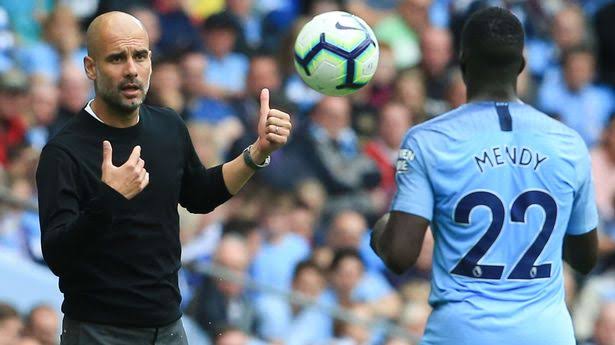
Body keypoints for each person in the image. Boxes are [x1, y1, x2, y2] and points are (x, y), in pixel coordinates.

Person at [35, 11, 292, 345]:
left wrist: (256, 153)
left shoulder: (168, 125)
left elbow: (199, 195)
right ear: (90, 68)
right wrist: (109, 199)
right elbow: (57, 256)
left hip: (169, 327)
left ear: (151, 62)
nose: (131, 69)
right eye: (116, 58)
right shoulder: (63, 151)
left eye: (139, 56)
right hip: (100, 331)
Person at [370, 7, 598, 345]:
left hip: (462, 333)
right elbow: (584, 258)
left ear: (462, 63)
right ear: (521, 65)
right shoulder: (568, 142)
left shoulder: (429, 141)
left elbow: (400, 255)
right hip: (545, 334)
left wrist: (382, 229)